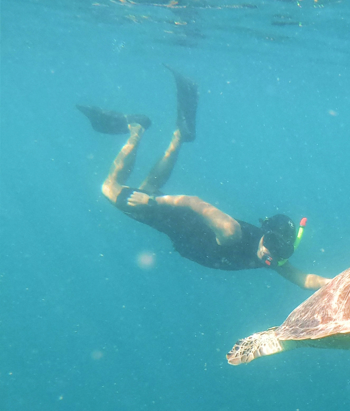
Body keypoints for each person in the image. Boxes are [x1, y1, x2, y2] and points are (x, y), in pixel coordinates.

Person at [77, 66, 329, 290]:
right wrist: (150, 204)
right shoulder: (231, 232)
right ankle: (135, 129)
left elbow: (305, 278)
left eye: (282, 252)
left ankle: (179, 134)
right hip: (175, 219)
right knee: (110, 188)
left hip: (179, 229)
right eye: (272, 245)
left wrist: (337, 284)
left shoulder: (274, 257)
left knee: (150, 186)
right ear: (265, 234)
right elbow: (193, 202)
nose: (272, 256)